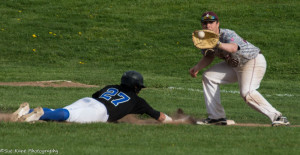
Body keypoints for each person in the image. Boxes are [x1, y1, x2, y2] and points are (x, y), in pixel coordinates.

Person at [189, 11, 290, 126]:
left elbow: (233, 48)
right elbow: (209, 56)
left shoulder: (227, 34)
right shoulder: (206, 40)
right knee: (209, 76)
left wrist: (218, 44)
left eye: (211, 22)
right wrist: (197, 67)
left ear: (217, 24)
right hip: (235, 66)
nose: (208, 26)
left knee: (247, 92)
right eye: (205, 23)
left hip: (252, 61)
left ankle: (278, 117)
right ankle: (216, 117)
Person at [12, 71, 173, 124]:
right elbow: (159, 116)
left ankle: (27, 111)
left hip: (89, 101)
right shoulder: (138, 101)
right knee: (66, 116)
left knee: (62, 111)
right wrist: (174, 121)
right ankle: (36, 116)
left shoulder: (111, 87)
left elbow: (95, 95)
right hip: (100, 112)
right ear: (136, 87)